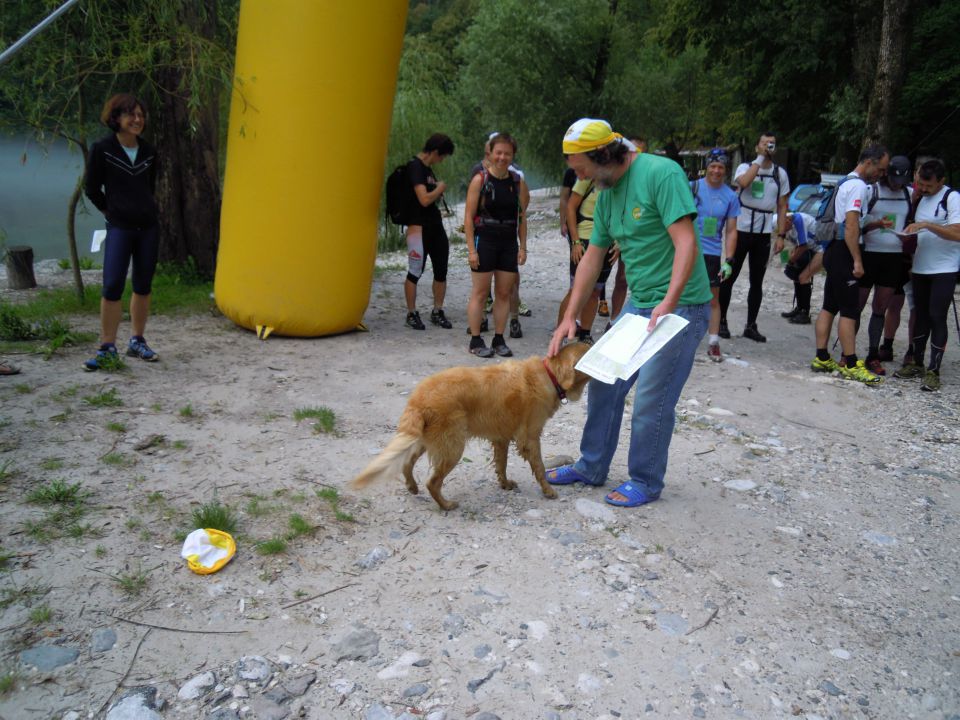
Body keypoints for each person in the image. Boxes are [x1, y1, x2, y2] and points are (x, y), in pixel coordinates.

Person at [546, 118, 711, 508]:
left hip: (681, 307)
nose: (577, 174)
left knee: (653, 398)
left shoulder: (660, 173)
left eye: (580, 166)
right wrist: (571, 314)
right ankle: (591, 466)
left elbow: (686, 243)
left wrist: (669, 302)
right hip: (639, 305)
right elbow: (592, 259)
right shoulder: (605, 193)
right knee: (604, 379)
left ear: (604, 154)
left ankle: (646, 480)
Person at [83, 93, 160, 371]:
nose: (137, 119)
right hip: (120, 228)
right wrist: (111, 212)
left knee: (143, 285)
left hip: (148, 228)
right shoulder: (102, 149)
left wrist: (146, 210)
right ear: (116, 118)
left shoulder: (149, 152)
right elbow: (91, 189)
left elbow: (150, 187)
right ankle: (107, 347)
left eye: (140, 115)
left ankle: (137, 341)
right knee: (112, 285)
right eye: (131, 114)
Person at [810, 144, 890, 385]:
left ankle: (822, 356)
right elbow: (851, 226)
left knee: (829, 305)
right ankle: (852, 363)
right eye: (881, 169)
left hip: (833, 250)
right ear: (870, 162)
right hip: (844, 251)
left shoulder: (845, 181)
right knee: (850, 310)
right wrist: (857, 259)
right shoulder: (857, 186)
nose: (881, 175)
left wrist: (874, 226)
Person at [894, 159, 960, 391]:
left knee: (936, 316)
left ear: (941, 181)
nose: (923, 188)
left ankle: (934, 370)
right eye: (920, 183)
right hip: (920, 266)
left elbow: (957, 232)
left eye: (928, 185)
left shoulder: (951, 198)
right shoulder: (919, 196)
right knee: (920, 315)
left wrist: (927, 225)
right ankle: (917, 362)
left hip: (944, 268)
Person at [721, 132, 790, 342]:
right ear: (757, 146)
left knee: (757, 281)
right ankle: (722, 321)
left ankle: (751, 325)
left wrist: (781, 235)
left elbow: (783, 204)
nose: (769, 147)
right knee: (729, 275)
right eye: (765, 143)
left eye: (772, 144)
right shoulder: (745, 167)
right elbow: (744, 182)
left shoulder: (780, 174)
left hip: (763, 232)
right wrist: (759, 159)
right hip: (741, 228)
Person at [465, 133, 528, 358]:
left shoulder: (517, 182)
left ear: (513, 155)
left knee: (503, 293)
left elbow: (521, 217)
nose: (502, 157)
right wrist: (471, 250)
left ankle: (499, 339)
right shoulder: (480, 180)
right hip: (485, 240)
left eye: (507, 153)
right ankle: (475, 339)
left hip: (508, 241)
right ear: (490, 153)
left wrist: (523, 247)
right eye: (498, 152)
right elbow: (468, 218)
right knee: (480, 293)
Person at [857, 154, 913, 375]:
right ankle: (848, 353)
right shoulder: (872, 191)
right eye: (893, 180)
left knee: (880, 307)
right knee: (857, 305)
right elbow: (857, 225)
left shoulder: (909, 194)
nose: (896, 185)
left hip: (894, 256)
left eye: (900, 181)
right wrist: (876, 224)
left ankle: (873, 354)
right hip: (870, 253)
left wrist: (909, 236)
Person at [403, 133, 455, 331]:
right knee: (415, 271)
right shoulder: (415, 167)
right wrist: (439, 187)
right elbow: (424, 199)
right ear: (434, 152)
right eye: (442, 156)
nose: (442, 160)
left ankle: (437, 310)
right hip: (418, 227)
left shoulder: (427, 169)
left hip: (435, 226)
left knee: (441, 269)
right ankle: (411, 312)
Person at [692, 148, 740, 361]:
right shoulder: (692, 188)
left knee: (713, 299)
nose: (716, 171)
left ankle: (713, 342)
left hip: (712, 252)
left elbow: (731, 230)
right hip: (689, 249)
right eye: (713, 166)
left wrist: (729, 260)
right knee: (680, 295)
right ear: (707, 167)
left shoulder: (730, 196)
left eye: (720, 167)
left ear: (725, 170)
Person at [557, 172, 614, 344]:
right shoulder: (588, 178)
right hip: (585, 237)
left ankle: (585, 334)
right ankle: (561, 333)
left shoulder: (619, 180)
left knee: (596, 290)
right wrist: (575, 241)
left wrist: (618, 241)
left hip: (608, 239)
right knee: (576, 288)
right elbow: (570, 206)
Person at [779, 211, 821, 324]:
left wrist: (790, 262)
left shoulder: (798, 220)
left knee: (804, 277)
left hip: (822, 249)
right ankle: (799, 308)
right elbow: (796, 246)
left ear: (787, 220)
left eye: (783, 226)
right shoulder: (790, 223)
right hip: (811, 249)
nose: (782, 230)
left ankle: (805, 313)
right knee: (796, 275)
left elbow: (803, 246)